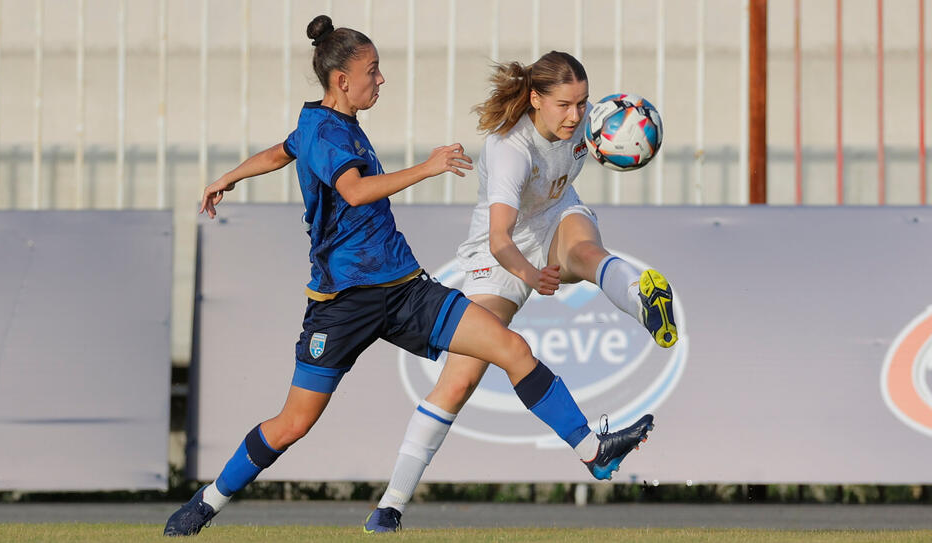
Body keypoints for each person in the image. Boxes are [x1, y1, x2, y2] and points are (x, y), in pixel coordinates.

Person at [163, 17, 655, 537]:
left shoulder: (324, 125)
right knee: (293, 424)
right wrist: (427, 167)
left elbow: (280, 152)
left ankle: (592, 452)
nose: (381, 80)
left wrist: (229, 177)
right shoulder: (326, 130)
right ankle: (208, 501)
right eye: (372, 71)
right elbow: (353, 191)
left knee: (511, 349)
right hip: (343, 301)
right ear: (341, 81)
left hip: (403, 287)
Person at [363, 51, 677, 533]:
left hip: (556, 219)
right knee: (459, 382)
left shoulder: (585, 129)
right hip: (500, 257)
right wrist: (531, 276)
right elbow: (499, 240)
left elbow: (609, 130)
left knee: (587, 253)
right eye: (565, 105)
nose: (576, 116)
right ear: (535, 98)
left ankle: (644, 301)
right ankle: (390, 506)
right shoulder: (510, 148)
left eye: (583, 103)